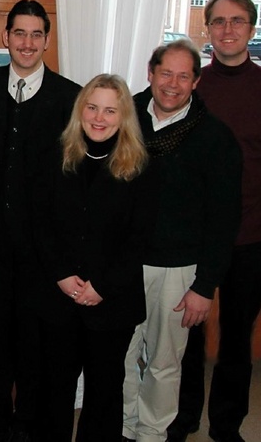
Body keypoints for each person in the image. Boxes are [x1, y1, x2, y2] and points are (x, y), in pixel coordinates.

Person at [168, 0, 261, 442]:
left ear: (251, 27)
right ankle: (182, 420)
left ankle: (226, 427)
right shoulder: (190, 87)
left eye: (238, 21)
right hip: (193, 237)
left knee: (236, 338)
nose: (228, 30)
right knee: (187, 339)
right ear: (207, 29)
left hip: (251, 235)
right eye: (219, 21)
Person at [0, 0, 81, 441]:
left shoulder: (70, 96)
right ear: (5, 37)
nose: (27, 43)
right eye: (20, 33)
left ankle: (27, 423)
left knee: (33, 339)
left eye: (36, 35)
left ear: (46, 40)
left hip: (42, 247)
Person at [122, 39, 242, 442]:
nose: (172, 84)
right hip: (121, 263)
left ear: (196, 81)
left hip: (178, 271)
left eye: (183, 76)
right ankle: (121, 428)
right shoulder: (121, 119)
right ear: (150, 73)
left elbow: (224, 220)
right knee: (117, 357)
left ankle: (152, 434)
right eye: (165, 73)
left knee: (164, 363)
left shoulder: (215, 138)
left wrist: (204, 287)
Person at [35, 74, 151, 441]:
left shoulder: (142, 165)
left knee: (104, 392)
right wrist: (63, 274)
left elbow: (139, 238)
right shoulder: (56, 156)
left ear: (123, 116)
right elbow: (40, 222)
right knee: (54, 389)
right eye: (92, 107)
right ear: (80, 110)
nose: (99, 118)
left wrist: (101, 285)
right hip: (59, 295)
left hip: (112, 300)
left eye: (110, 110)